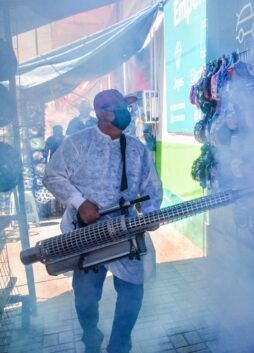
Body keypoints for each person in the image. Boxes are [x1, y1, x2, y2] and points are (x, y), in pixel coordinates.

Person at [43, 89, 163, 353]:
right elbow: (53, 176)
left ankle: (120, 345)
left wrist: (151, 213)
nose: (125, 112)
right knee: (86, 298)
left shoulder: (137, 149)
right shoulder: (78, 143)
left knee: (132, 293)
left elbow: (151, 187)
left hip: (125, 231)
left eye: (126, 107)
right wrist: (80, 202)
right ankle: (91, 338)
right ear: (100, 112)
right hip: (87, 235)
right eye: (118, 107)